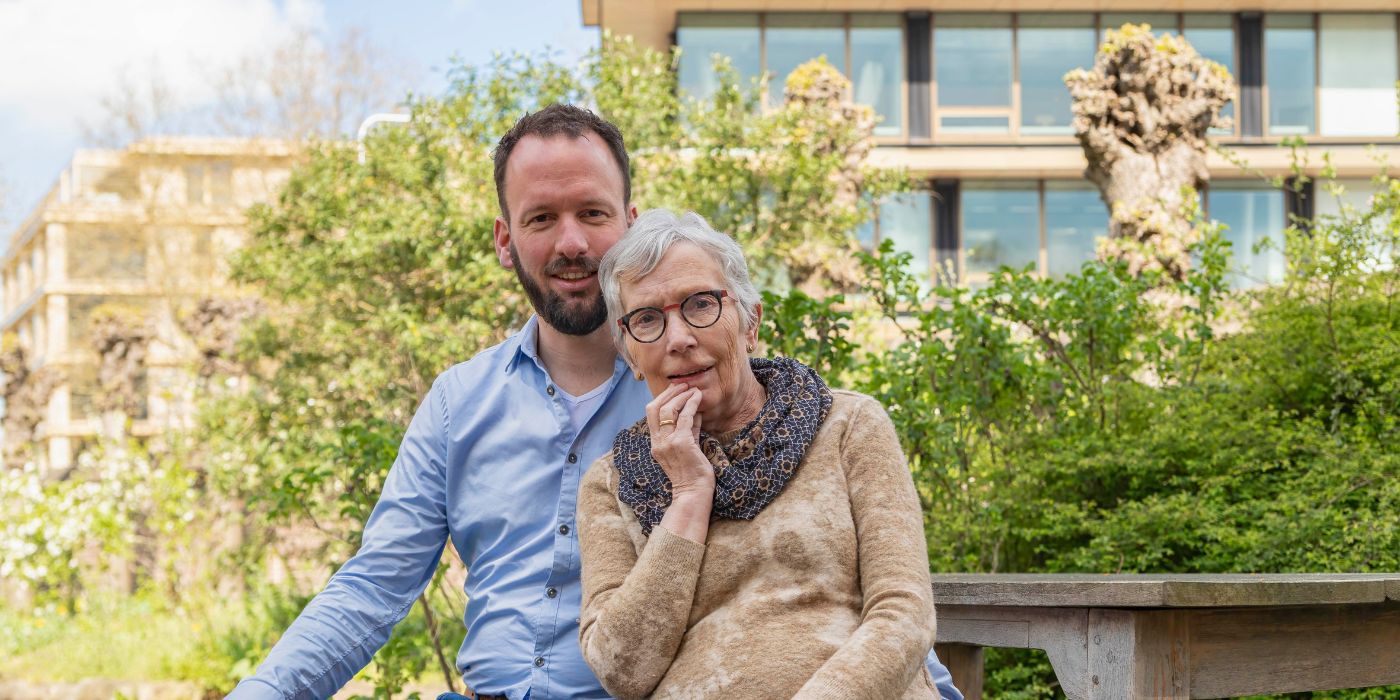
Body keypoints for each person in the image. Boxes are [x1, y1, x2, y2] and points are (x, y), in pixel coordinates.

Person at [229, 104, 961, 700]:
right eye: (541, 218)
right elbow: (372, 587)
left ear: (631, 222)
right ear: (505, 240)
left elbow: (830, 575)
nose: (572, 241)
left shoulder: (709, 387)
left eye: (593, 213)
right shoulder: (461, 402)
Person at [575, 209, 938, 699]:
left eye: (700, 305)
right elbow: (621, 670)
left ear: (749, 322)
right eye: (647, 320)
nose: (679, 338)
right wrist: (687, 493)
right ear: (630, 357)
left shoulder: (848, 426)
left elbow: (904, 613)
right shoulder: (614, 481)